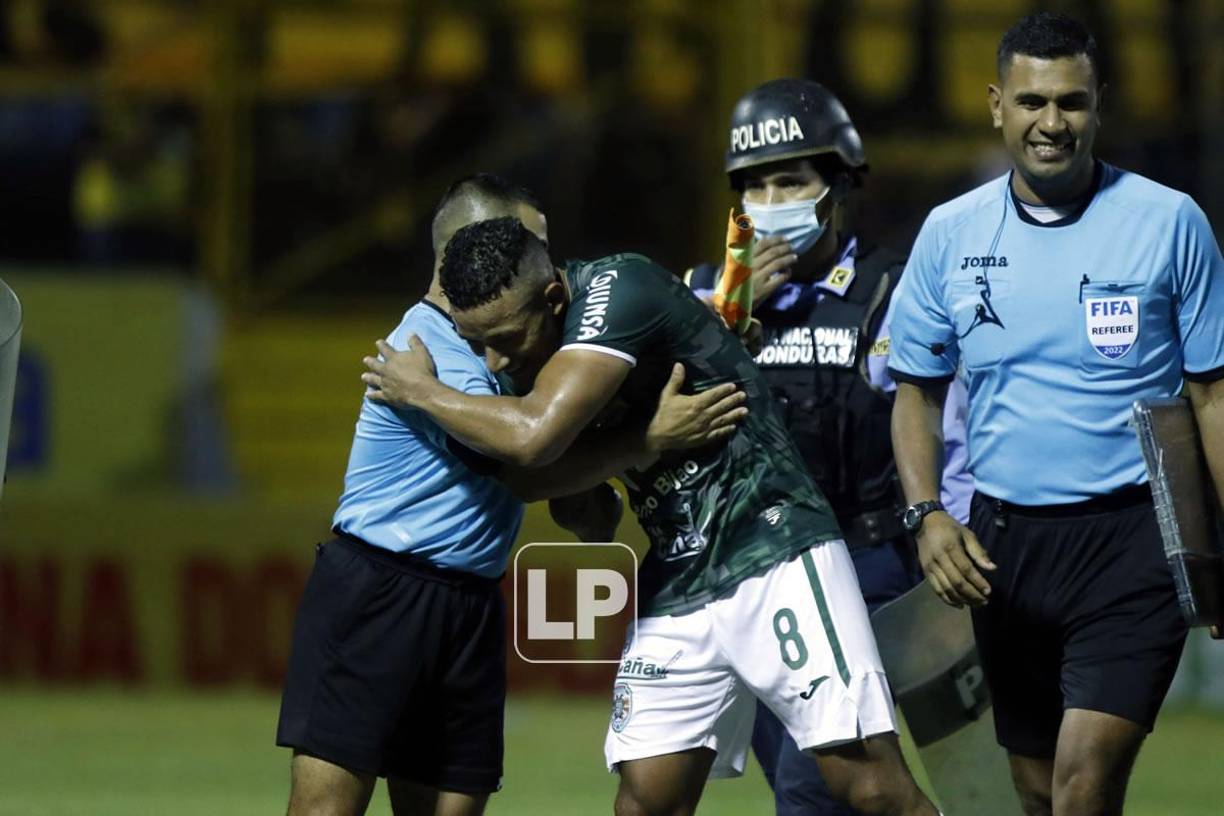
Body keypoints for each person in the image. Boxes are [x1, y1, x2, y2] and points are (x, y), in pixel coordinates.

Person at [362, 216, 941, 816]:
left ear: (554, 297)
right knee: (643, 804)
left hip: (770, 542)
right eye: (476, 342)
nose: (493, 359)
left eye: (505, 338)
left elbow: (531, 441)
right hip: (677, 572)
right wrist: (637, 444)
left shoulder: (620, 288)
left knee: (870, 787)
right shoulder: (531, 362)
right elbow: (577, 509)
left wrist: (421, 392)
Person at [276, 173, 747, 816]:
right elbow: (518, 460)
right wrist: (644, 440)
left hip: (470, 601)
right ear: (472, 248)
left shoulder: (517, 354)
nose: (543, 260)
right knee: (326, 810)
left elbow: (588, 514)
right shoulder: (423, 346)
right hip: (381, 590)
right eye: (530, 243)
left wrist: (589, 465)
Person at [887, 11, 1223, 816]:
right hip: (1006, 547)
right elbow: (916, 395)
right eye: (1033, 101)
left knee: (1082, 782)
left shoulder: (1169, 221)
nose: (1052, 122)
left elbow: (1213, 395)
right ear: (996, 105)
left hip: (1134, 540)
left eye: (1071, 102)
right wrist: (928, 516)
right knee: (1037, 790)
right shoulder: (950, 234)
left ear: (1100, 104)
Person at [685, 78, 973, 815]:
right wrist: (729, 318)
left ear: (839, 186)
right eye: (755, 185)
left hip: (869, 566)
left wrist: (951, 531)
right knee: (823, 783)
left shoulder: (895, 290)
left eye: (791, 181)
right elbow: (660, 432)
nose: (770, 200)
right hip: (756, 572)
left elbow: (950, 429)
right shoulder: (698, 298)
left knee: (814, 785)